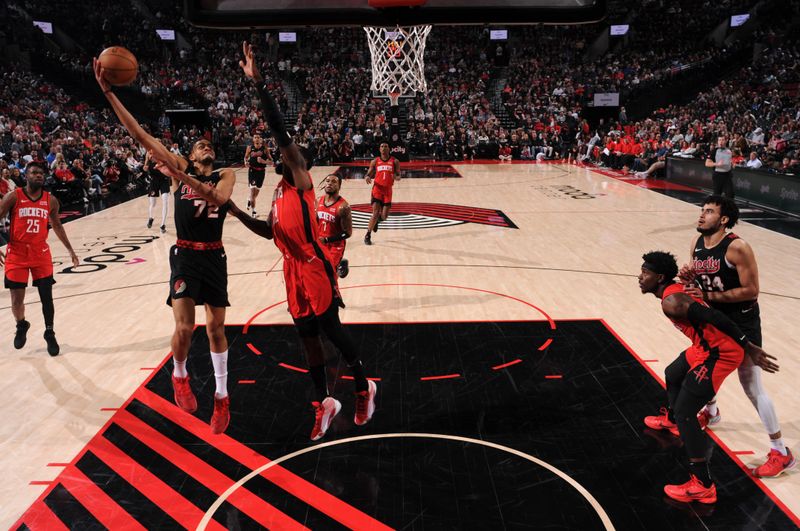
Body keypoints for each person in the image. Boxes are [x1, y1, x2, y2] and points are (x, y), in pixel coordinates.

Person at [234, 41, 376, 441]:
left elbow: (279, 130)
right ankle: (324, 403)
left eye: (293, 150)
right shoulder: (278, 195)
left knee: (330, 328)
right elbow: (270, 233)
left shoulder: (300, 179)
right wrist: (235, 212)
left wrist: (259, 84)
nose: (286, 151)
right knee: (307, 337)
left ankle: (364, 386)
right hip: (291, 267)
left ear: (301, 159)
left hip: (315, 265)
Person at [94, 57, 234, 434]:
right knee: (186, 328)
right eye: (199, 144)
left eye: (209, 144)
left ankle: (222, 398)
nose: (205, 146)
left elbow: (219, 200)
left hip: (215, 256)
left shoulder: (226, 174)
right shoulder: (176, 167)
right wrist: (109, 94)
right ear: (191, 153)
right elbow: (140, 135)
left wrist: (182, 175)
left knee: (217, 331)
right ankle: (179, 375)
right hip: (186, 255)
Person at [639, 251, 778, 504]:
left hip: (720, 353)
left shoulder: (672, 302)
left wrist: (747, 345)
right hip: (704, 346)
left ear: (659, 277)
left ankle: (702, 484)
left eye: (645, 273)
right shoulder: (673, 289)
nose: (640, 277)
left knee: (686, 412)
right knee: (673, 373)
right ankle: (671, 420)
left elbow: (715, 317)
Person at [679, 195, 794, 477]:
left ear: (724, 219)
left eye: (709, 211)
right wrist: (688, 276)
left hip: (742, 322)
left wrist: (706, 294)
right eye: (702, 210)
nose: (702, 215)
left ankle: (781, 452)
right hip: (712, 319)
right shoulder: (697, 244)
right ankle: (713, 411)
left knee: (751, 385)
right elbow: (700, 276)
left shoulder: (737, 247)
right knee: (706, 368)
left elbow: (751, 290)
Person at [0, 162, 79, 356]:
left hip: (40, 253)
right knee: (16, 300)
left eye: (41, 173)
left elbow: (58, 226)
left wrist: (70, 250)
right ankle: (21, 324)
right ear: (26, 176)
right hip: (17, 253)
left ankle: (49, 332)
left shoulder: (51, 200)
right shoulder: (14, 196)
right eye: (34, 172)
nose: (39, 175)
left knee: (47, 297)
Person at [364, 142, 400, 245]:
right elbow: (370, 172)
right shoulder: (375, 161)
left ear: (389, 149)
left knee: (384, 216)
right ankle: (367, 235)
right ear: (379, 149)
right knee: (375, 213)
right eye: (382, 146)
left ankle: (377, 222)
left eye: (385, 146)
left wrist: (396, 178)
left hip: (388, 190)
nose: (383, 148)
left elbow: (399, 175)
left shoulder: (395, 161)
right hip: (377, 189)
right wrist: (367, 176)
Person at [316, 173, 352, 279]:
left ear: (339, 186)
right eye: (327, 181)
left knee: (329, 276)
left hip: (335, 246)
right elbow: (314, 222)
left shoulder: (343, 207)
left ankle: (334, 294)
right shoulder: (318, 201)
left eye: (334, 182)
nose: (329, 183)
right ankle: (341, 264)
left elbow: (348, 233)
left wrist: (326, 239)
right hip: (319, 242)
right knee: (317, 272)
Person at [244, 132, 271, 217]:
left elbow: (272, 161)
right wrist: (246, 162)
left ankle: (249, 200)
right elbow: (245, 157)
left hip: (261, 172)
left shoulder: (265, 149)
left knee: (256, 194)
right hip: (252, 171)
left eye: (258, 137)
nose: (256, 139)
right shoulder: (249, 148)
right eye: (255, 137)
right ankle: (253, 212)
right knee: (252, 192)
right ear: (253, 139)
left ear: (261, 140)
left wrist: (264, 161)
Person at [144, 150, 170, 233]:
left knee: (165, 202)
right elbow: (145, 169)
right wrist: (145, 169)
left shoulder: (163, 159)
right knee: (152, 203)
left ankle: (163, 224)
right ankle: (151, 218)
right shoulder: (148, 162)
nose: (152, 156)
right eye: (150, 155)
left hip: (164, 181)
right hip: (154, 182)